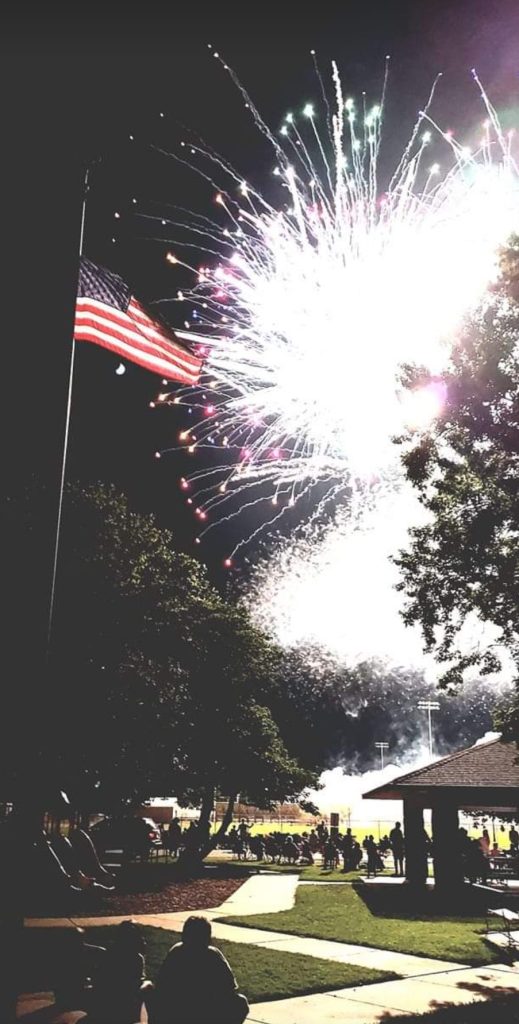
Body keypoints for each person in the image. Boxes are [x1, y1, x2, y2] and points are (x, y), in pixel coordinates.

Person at [153, 915, 249, 1024]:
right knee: (240, 1002)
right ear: (207, 938)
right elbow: (230, 987)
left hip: (175, 1012)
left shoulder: (175, 952)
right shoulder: (213, 955)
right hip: (207, 1012)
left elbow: (161, 985)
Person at [89, 919, 153, 1024]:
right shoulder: (136, 958)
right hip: (124, 1001)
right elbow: (135, 984)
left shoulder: (108, 953)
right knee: (149, 985)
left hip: (103, 999)